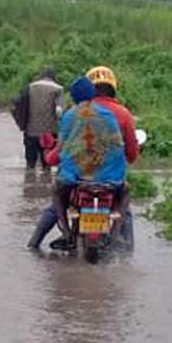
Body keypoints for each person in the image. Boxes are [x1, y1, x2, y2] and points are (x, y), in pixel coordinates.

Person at [27, 73, 130, 249]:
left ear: (74, 97)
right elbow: (117, 145)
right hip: (109, 179)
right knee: (125, 191)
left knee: (57, 194)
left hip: (75, 179)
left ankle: (65, 233)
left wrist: (51, 156)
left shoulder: (69, 116)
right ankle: (115, 235)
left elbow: (62, 147)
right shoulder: (109, 114)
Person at [13, 69, 62, 169]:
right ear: (54, 78)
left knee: (30, 165)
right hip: (49, 134)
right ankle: (45, 182)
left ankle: (29, 180)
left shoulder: (30, 87)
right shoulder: (58, 89)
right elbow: (59, 111)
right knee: (47, 165)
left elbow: (18, 104)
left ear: (41, 76)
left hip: (31, 131)